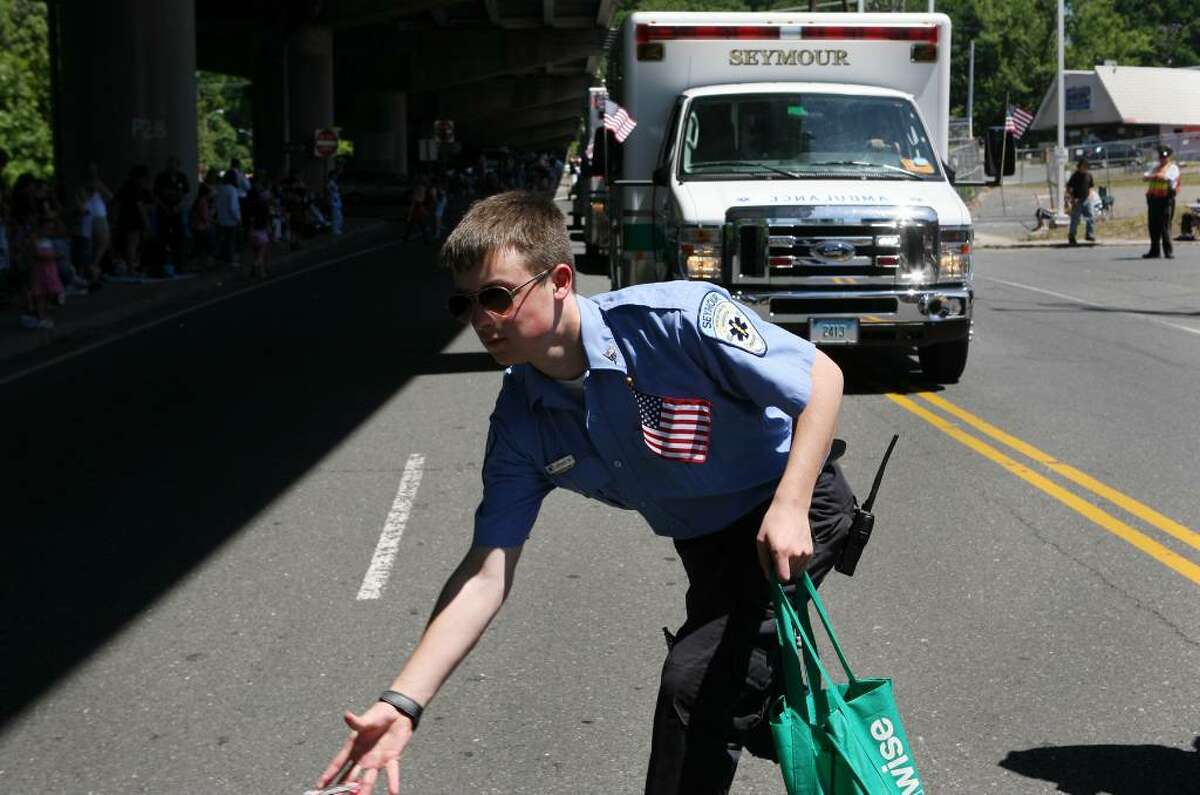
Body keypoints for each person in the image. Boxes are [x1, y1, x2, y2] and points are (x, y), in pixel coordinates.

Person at [314, 191, 854, 795]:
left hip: (796, 505)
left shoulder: (673, 323)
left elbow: (822, 377)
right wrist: (404, 701)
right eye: (465, 303)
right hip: (708, 548)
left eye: (496, 296)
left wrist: (789, 504)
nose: (481, 319)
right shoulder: (522, 420)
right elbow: (486, 571)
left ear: (561, 280)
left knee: (694, 685)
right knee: (727, 690)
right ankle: (771, 716)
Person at [1142, 146, 1180, 259]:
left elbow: (1165, 178)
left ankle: (1168, 251)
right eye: (1161, 157)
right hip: (1153, 199)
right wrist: (1155, 176)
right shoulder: (1155, 167)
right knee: (1153, 225)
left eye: (1164, 157)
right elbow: (1145, 177)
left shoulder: (1173, 168)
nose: (1162, 159)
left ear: (1168, 157)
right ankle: (1154, 251)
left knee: (1165, 225)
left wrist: (1154, 176)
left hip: (1166, 199)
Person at [1066, 158, 1095, 246]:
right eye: (1083, 166)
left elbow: (1091, 186)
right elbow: (1068, 187)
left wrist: (1090, 195)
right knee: (1075, 219)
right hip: (1077, 200)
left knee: (1091, 216)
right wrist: (1072, 198)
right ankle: (1072, 236)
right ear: (1079, 166)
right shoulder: (1075, 176)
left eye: (1086, 167)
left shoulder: (1089, 175)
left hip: (1086, 199)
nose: (1085, 168)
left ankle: (1089, 234)